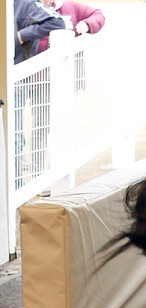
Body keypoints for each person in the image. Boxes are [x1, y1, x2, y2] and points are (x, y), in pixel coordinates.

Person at [13, 0, 64, 187]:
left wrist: (22, 35)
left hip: (16, 77)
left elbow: (58, 22)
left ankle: (16, 188)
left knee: (14, 134)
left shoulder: (26, 3)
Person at [37, 0, 106, 54]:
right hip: (39, 66)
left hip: (71, 63)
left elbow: (97, 15)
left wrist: (87, 24)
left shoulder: (69, 6)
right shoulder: (28, 8)